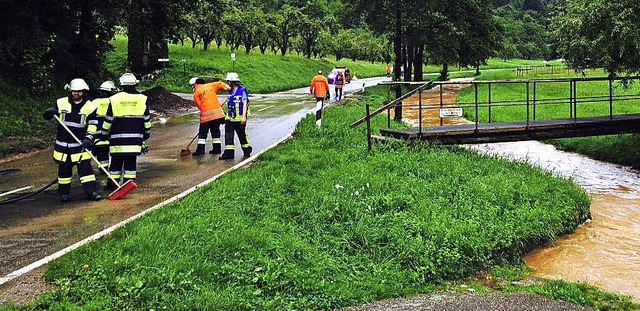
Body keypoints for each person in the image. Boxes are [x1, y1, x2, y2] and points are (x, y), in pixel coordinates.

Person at [42, 78, 101, 202]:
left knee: (86, 171)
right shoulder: (61, 102)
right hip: (63, 145)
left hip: (80, 144)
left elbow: (93, 124)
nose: (76, 93)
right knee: (64, 172)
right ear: (70, 91)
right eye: (74, 91)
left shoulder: (90, 106)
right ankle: (64, 194)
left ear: (84, 91)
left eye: (79, 91)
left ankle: (91, 192)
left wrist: (88, 139)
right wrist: (49, 113)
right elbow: (49, 114)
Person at [102, 73, 151, 190]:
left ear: (122, 85)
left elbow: (108, 118)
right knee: (131, 161)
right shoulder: (142, 99)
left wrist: (103, 133)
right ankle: (129, 185)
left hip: (117, 138)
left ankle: (112, 185)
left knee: (115, 162)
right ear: (135, 84)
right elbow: (146, 118)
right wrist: (147, 133)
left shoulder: (114, 99)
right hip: (135, 138)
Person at [189, 77, 231, 156]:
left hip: (206, 117)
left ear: (194, 85)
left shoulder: (196, 93)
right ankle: (217, 149)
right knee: (215, 132)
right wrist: (228, 88)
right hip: (217, 115)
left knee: (202, 134)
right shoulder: (210, 86)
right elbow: (219, 83)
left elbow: (200, 106)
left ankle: (200, 150)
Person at [219, 72, 252, 160]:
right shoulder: (230, 90)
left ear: (231, 81)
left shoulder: (242, 90)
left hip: (239, 118)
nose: (227, 82)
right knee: (228, 136)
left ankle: (247, 150)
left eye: (228, 81)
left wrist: (244, 117)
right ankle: (229, 154)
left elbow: (245, 104)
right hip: (230, 119)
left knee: (242, 135)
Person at [92, 81, 118, 174]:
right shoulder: (114, 101)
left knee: (102, 155)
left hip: (97, 136)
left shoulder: (94, 102)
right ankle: (114, 172)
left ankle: (103, 171)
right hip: (112, 135)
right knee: (116, 156)